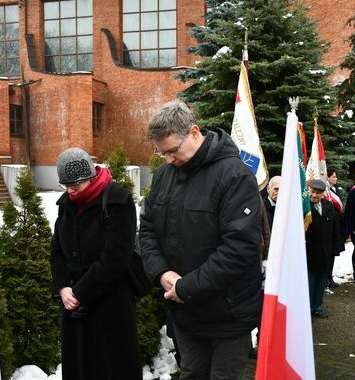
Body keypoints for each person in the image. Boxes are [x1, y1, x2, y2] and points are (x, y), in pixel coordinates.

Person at [139, 101, 262, 380]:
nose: (168, 159)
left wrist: (187, 286)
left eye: (172, 151)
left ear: (194, 132)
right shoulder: (163, 175)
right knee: (192, 373)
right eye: (162, 153)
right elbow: (147, 230)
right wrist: (161, 272)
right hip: (185, 313)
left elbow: (239, 248)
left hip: (229, 313)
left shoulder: (235, 175)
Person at [50, 147, 141, 379]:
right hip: (73, 303)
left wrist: (80, 293)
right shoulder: (66, 204)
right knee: (79, 368)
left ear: (89, 178)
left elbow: (115, 258)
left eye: (75, 185)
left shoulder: (118, 201)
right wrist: (63, 288)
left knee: (110, 367)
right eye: (65, 185)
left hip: (110, 303)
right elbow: (57, 251)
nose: (70, 190)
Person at [306, 179, 340, 318]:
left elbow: (335, 229)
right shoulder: (304, 208)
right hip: (309, 253)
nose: (314, 195)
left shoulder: (328, 206)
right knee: (310, 282)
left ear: (322, 194)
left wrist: (335, 248)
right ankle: (306, 308)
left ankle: (317, 306)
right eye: (312, 192)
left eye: (318, 193)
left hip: (325, 252)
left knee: (321, 282)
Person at [325, 167, 345, 288]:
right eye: (333, 176)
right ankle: (325, 278)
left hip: (336, 224)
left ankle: (330, 276)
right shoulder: (326, 191)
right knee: (327, 253)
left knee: (333, 252)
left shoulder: (336, 189)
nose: (335, 178)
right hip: (329, 223)